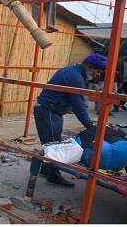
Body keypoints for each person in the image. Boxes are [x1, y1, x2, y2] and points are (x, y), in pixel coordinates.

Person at [34, 54, 106, 186]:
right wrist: (89, 125)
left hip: (51, 110)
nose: (98, 75)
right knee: (54, 145)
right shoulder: (75, 77)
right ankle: (53, 176)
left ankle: (46, 169)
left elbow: (78, 101)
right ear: (90, 67)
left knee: (52, 141)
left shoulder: (74, 71)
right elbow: (79, 104)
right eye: (98, 71)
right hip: (48, 110)